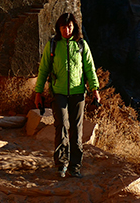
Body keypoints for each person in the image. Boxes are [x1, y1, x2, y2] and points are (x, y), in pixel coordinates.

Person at [33, 12, 101, 178]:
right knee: (62, 127)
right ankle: (61, 164)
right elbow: (43, 70)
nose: (66, 30)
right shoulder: (53, 45)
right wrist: (38, 92)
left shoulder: (81, 45)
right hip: (59, 93)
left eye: (69, 26)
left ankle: (75, 166)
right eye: (63, 27)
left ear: (74, 27)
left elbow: (89, 69)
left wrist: (95, 90)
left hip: (78, 94)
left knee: (76, 131)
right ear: (59, 28)